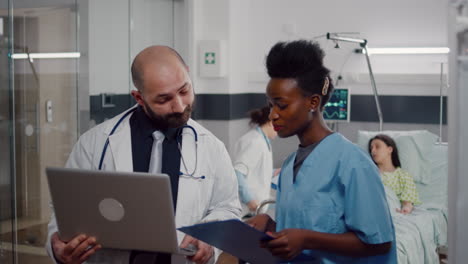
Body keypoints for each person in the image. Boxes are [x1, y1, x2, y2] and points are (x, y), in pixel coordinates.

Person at [46, 45, 241, 264]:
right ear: (139, 97)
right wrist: (58, 247)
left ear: (187, 72)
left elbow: (228, 208)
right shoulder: (95, 143)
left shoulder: (212, 147)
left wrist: (209, 235)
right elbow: (64, 210)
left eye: (184, 91)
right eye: (163, 99)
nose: (178, 106)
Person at [248, 40, 397, 263]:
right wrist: (272, 227)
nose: (272, 115)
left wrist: (307, 239)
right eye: (271, 105)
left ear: (313, 102)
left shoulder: (352, 163)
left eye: (282, 105)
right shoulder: (289, 166)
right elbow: (301, 228)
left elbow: (379, 241)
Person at [231, 106, 278, 216]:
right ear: (270, 122)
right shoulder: (254, 141)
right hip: (247, 209)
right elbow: (237, 173)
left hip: (256, 208)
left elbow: (255, 170)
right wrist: (249, 200)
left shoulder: (262, 140)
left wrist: (274, 172)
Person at [368, 134, 421, 214]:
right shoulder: (368, 173)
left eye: (377, 147)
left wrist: (406, 209)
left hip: (390, 211)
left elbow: (407, 203)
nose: (373, 151)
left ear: (390, 149)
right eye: (371, 148)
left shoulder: (403, 176)